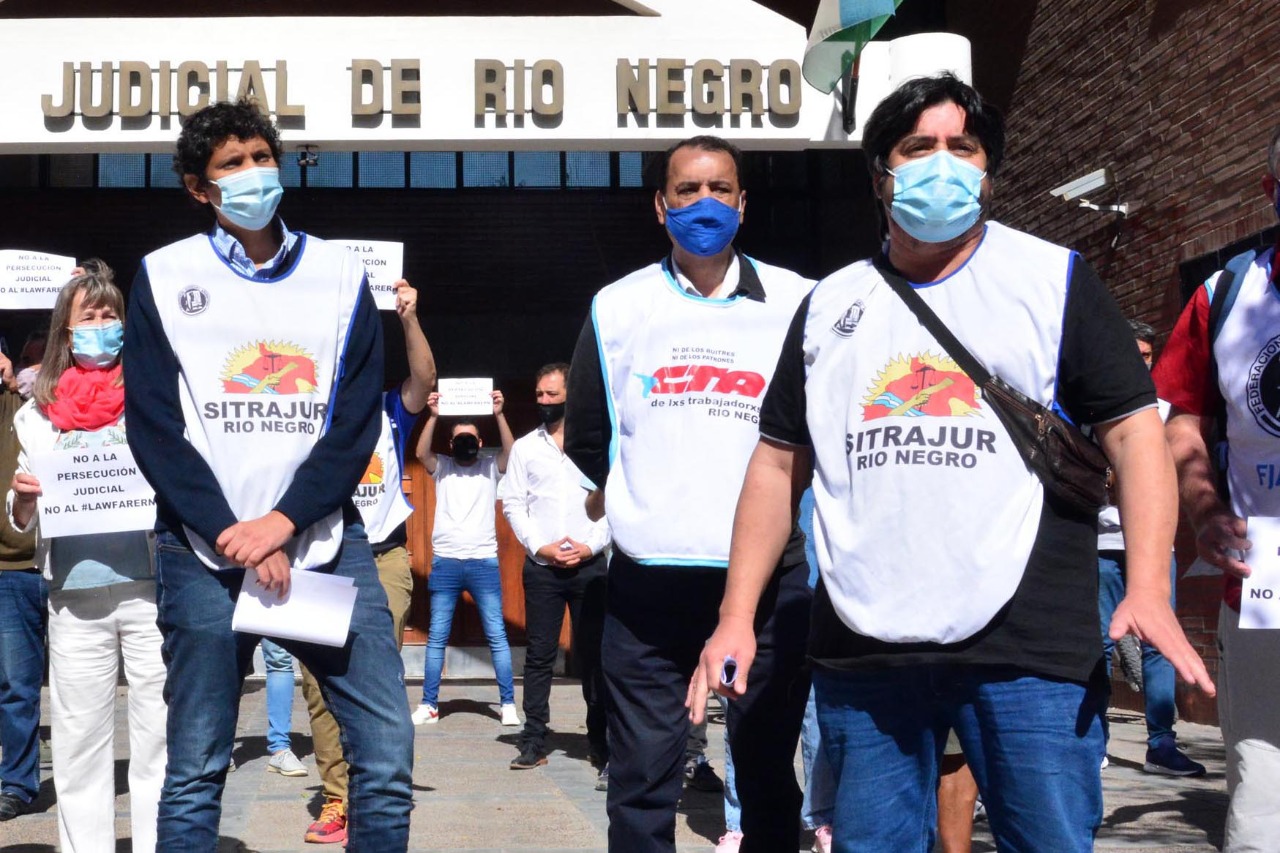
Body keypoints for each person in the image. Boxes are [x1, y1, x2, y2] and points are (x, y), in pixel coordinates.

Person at [691, 74, 1214, 852]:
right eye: (918, 147)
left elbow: (1136, 433)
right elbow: (775, 465)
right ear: (881, 174)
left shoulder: (1051, 280)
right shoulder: (830, 307)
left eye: (961, 147)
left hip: (1026, 647)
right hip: (864, 649)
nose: (943, 164)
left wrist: (1146, 584)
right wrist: (735, 615)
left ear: (987, 171)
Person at [122, 98, 413, 852]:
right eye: (231, 165)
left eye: (260, 158)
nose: (253, 174)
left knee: (384, 759)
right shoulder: (163, 276)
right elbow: (154, 425)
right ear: (199, 188)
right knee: (196, 768)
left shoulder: (340, 274)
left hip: (321, 544)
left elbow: (354, 425)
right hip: (201, 553)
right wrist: (232, 531)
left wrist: (282, 522)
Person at [565, 134, 815, 852]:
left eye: (720, 189)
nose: (703, 202)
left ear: (743, 203)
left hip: (769, 584)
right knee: (641, 779)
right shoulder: (618, 306)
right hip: (647, 589)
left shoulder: (798, 300)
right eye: (686, 190)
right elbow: (589, 433)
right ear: (660, 205)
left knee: (767, 772)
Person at [7, 265, 168, 852]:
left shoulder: (155, 397)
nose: (100, 327)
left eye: (109, 316)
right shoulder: (37, 412)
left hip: (152, 590)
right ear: (64, 332)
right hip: (75, 597)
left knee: (160, 738)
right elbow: (18, 508)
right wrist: (23, 501)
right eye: (87, 317)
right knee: (79, 745)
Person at [1154, 124, 1280, 851]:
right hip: (1262, 591)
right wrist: (1203, 506)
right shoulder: (1225, 294)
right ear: (1271, 191)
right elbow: (1181, 419)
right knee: (1263, 805)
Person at [301, 278, 435, 845]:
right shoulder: (306, 413)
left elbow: (425, 380)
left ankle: (376, 786)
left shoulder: (388, 409)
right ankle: (339, 796)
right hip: (315, 560)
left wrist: (407, 318)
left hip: (382, 559)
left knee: (375, 675)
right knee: (318, 685)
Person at [1098, 320, 1205, 776]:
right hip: (1099, 542)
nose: (1139, 362)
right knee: (1099, 646)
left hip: (1155, 546)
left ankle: (1161, 745)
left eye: (1147, 355)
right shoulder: (1093, 402)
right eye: (1131, 353)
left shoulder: (1164, 410)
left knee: (1158, 646)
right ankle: (1092, 745)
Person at [499, 363, 610, 776]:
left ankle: (601, 742)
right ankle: (533, 740)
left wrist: (591, 544)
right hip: (542, 567)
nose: (544, 402)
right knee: (539, 656)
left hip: (591, 566)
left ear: (571, 394)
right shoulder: (527, 448)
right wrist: (539, 546)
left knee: (595, 656)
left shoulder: (598, 446)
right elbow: (513, 502)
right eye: (540, 395)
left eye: (552, 395)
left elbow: (615, 500)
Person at [412, 388, 518, 727]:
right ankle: (429, 704)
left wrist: (500, 413)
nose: (464, 444)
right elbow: (420, 452)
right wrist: (433, 416)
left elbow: (511, 453)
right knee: (438, 636)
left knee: (497, 636)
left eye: (469, 438)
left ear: (480, 439)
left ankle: (508, 703)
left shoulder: (490, 467)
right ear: (450, 443)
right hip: (446, 561)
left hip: (482, 561)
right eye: (458, 439)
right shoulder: (442, 466)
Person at [0, 345, 42, 823]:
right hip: (11, 567)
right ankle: (18, 782)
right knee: (16, 686)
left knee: (81, 689)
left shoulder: (44, 406)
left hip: (69, 561)